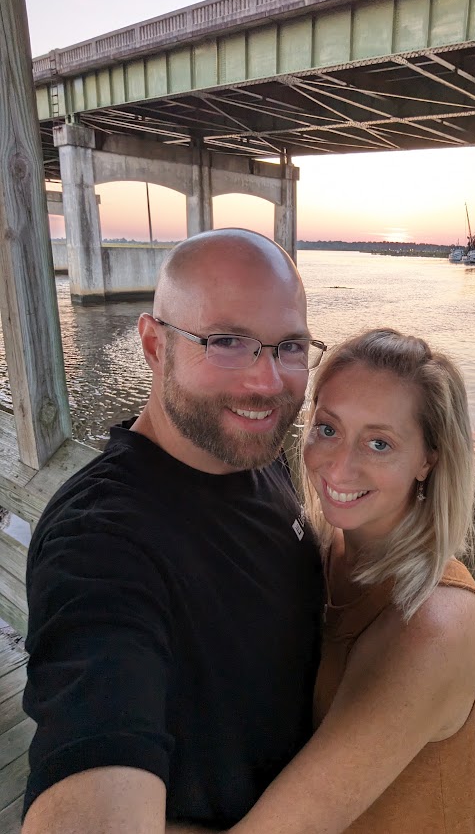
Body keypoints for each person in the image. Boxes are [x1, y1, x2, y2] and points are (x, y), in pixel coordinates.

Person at [21, 229, 326, 833]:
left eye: (289, 346)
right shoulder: (99, 542)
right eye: (228, 342)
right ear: (155, 345)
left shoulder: (260, 455)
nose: (267, 383)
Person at [172, 327, 475, 834]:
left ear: (428, 459)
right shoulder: (319, 554)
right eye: (327, 429)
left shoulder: (433, 623)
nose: (340, 467)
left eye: (379, 442)